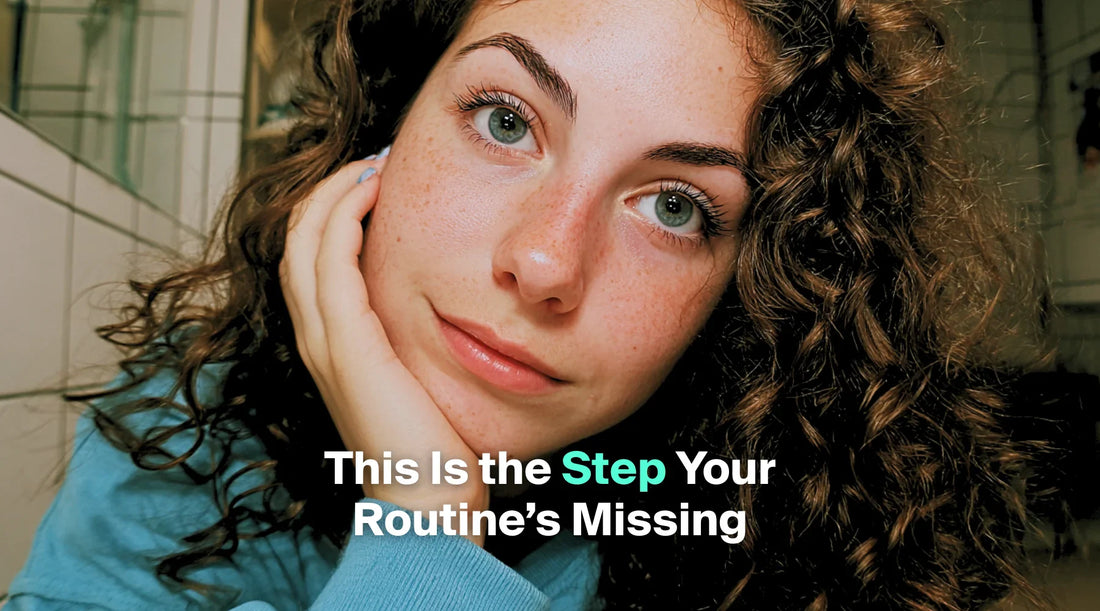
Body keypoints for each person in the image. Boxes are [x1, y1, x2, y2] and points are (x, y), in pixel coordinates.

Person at [6, 0, 1049, 608]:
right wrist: (426, 524)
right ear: (386, 126)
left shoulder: (775, 531)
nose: (547, 260)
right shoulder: (184, 433)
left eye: (675, 206)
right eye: (504, 121)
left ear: (749, 288)